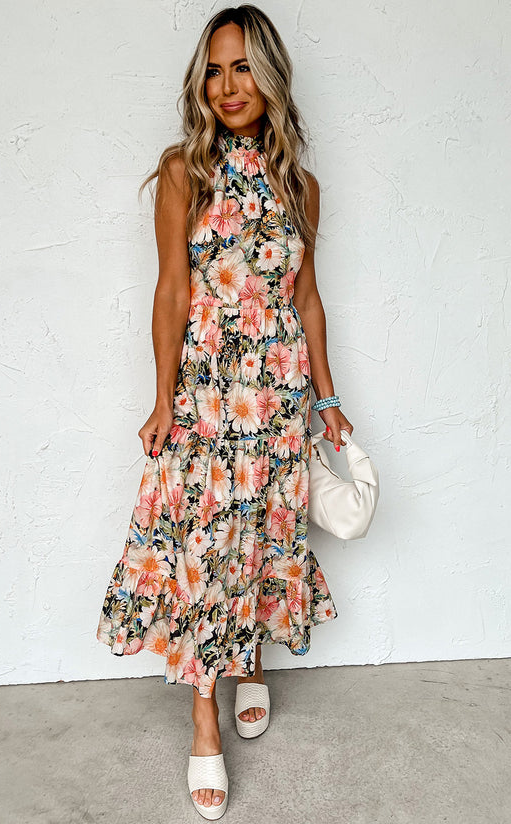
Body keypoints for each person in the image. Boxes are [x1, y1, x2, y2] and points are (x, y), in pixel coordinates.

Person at [96, 4, 353, 819]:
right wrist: (163, 400)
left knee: (263, 536)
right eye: (214, 68)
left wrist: (328, 398)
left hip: (275, 400)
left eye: (242, 67)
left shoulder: (301, 186)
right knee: (203, 548)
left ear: (270, 76)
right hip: (208, 397)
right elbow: (173, 292)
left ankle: (254, 663)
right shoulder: (183, 172)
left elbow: (307, 301)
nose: (227, 85)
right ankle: (204, 717)